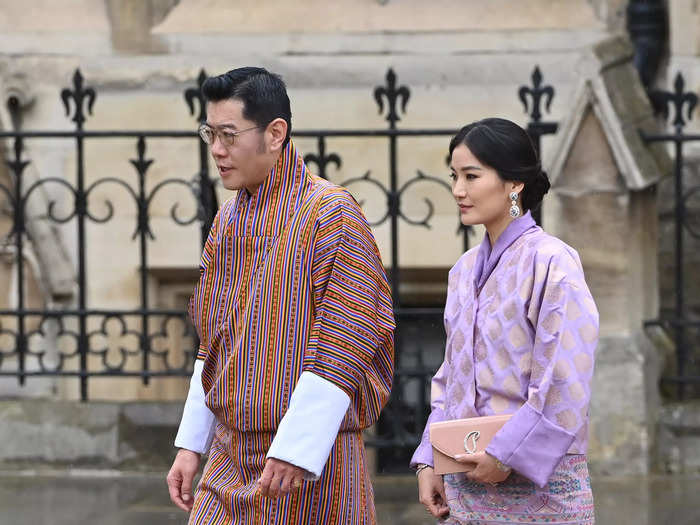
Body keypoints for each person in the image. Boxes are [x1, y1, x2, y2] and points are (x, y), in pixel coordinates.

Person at [166, 67, 395, 524]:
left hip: (313, 468)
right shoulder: (228, 220)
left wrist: (298, 448)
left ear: (276, 133)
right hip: (228, 458)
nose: (216, 149)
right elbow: (212, 344)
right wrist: (192, 443)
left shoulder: (331, 214)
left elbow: (346, 341)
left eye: (229, 135)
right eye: (210, 132)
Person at [411, 118, 598, 524]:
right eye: (454, 176)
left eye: (471, 176)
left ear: (514, 183)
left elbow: (565, 378)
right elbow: (451, 376)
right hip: (466, 486)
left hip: (541, 491)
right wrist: (430, 459)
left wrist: (507, 454)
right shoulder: (462, 272)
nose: (458, 190)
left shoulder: (551, 262)